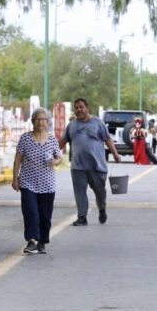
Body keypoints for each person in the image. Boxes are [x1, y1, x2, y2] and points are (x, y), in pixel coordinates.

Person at [59, 97, 122, 226]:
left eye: (81, 107)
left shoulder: (98, 123)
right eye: (76, 107)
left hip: (97, 166)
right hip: (78, 166)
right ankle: (82, 217)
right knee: (80, 192)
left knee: (100, 192)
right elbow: (62, 141)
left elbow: (108, 139)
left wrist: (115, 154)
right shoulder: (71, 125)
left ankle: (102, 208)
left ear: (87, 108)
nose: (79, 109)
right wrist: (51, 152)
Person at [11, 108, 63, 255]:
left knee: (45, 215)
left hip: (47, 184)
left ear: (47, 122)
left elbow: (59, 157)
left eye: (43, 119)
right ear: (33, 121)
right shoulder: (25, 138)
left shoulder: (52, 139)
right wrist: (15, 178)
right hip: (28, 182)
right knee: (31, 212)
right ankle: (31, 241)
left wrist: (55, 161)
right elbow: (18, 159)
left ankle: (42, 241)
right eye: (38, 119)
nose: (41, 122)